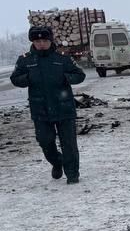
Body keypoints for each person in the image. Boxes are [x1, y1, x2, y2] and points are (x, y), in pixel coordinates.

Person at [10, 25, 85, 184]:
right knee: (45, 141)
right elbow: (15, 78)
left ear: (50, 40)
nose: (41, 44)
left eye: (44, 40)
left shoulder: (62, 58)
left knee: (69, 144)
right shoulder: (25, 60)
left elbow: (80, 75)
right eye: (37, 41)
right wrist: (27, 79)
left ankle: (72, 175)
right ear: (33, 42)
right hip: (40, 110)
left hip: (64, 108)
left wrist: (66, 78)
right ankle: (57, 162)